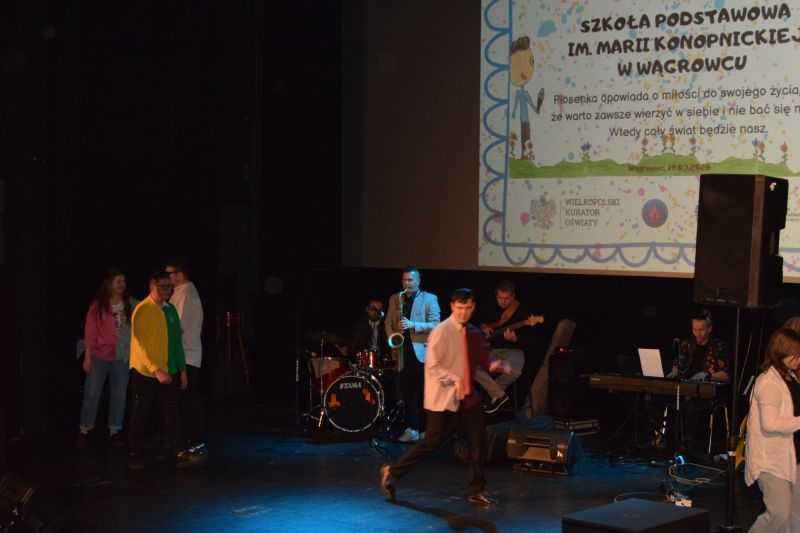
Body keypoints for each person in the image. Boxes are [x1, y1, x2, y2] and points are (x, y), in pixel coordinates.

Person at [380, 288, 509, 506]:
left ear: (473, 307)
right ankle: (393, 470)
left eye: (467, 308)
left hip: (468, 398)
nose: (463, 312)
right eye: (459, 308)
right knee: (432, 442)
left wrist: (495, 364)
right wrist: (455, 380)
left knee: (478, 439)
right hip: (443, 399)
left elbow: (483, 358)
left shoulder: (473, 332)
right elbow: (434, 366)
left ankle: (477, 489)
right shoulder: (440, 332)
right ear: (452, 307)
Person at [127, 271, 202, 470]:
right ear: (153, 287)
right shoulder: (143, 310)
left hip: (168, 370)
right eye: (164, 286)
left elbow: (176, 342)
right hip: (145, 372)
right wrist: (156, 370)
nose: (168, 289)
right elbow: (140, 345)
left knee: (171, 410)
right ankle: (134, 453)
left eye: (170, 286)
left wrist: (182, 369)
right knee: (140, 412)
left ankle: (180, 450)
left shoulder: (170, 310)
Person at [745, 327, 800, 532]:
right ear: (781, 352)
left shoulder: (790, 377)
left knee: (796, 518)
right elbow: (771, 424)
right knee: (779, 512)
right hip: (771, 460)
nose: (799, 359)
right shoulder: (769, 382)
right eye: (796, 355)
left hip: (792, 457)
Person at [77, 268, 139, 448]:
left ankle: (114, 430)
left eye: (123, 281)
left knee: (119, 395)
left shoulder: (131, 303)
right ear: (109, 283)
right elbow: (90, 332)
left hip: (121, 355)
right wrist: (88, 357)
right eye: (118, 281)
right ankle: (85, 429)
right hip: (99, 354)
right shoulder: (98, 305)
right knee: (92, 394)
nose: (121, 284)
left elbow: (148, 311)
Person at [385, 266, 440, 442]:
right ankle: (412, 428)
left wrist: (413, 325)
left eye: (410, 280)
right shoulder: (395, 298)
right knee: (406, 393)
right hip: (402, 352)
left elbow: (436, 324)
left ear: (418, 281)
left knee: (423, 393)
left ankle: (425, 429)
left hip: (422, 352)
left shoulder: (430, 298)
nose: (406, 283)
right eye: (404, 280)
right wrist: (392, 339)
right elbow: (388, 322)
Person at [667, 310, 729, 453]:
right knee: (655, 395)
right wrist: (675, 371)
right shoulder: (687, 343)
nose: (697, 333)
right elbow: (677, 363)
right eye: (694, 329)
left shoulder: (718, 346)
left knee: (692, 404)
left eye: (701, 330)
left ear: (709, 328)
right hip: (685, 386)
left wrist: (707, 375)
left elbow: (725, 375)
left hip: (705, 391)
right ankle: (662, 436)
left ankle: (687, 442)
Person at [477, 279, 538, 413]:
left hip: (513, 351)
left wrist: (515, 339)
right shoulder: (488, 305)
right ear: (496, 295)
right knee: (470, 366)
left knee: (514, 370)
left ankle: (494, 393)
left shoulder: (523, 311)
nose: (503, 302)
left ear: (513, 296)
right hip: (491, 350)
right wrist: (484, 326)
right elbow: (476, 320)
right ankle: (499, 395)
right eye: (500, 298)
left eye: (507, 298)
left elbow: (532, 340)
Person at [165, 257, 205, 448]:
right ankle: (191, 438)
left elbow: (177, 327)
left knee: (187, 400)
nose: (166, 278)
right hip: (184, 354)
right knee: (184, 400)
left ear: (179, 275)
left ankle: (194, 439)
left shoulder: (185, 293)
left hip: (186, 355)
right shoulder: (182, 292)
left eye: (169, 274)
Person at [510, 35, 544, 160]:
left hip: (527, 120)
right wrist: (514, 112)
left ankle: (527, 153)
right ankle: (523, 154)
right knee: (523, 135)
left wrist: (537, 108)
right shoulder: (519, 94)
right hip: (522, 119)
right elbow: (515, 104)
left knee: (527, 136)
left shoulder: (526, 94)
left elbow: (532, 105)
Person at [348, 299, 388, 367]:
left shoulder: (386, 325)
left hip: (383, 361)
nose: (375, 313)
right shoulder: (360, 325)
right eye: (372, 309)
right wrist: (348, 350)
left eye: (378, 310)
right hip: (364, 361)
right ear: (367, 309)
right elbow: (353, 344)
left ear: (382, 311)